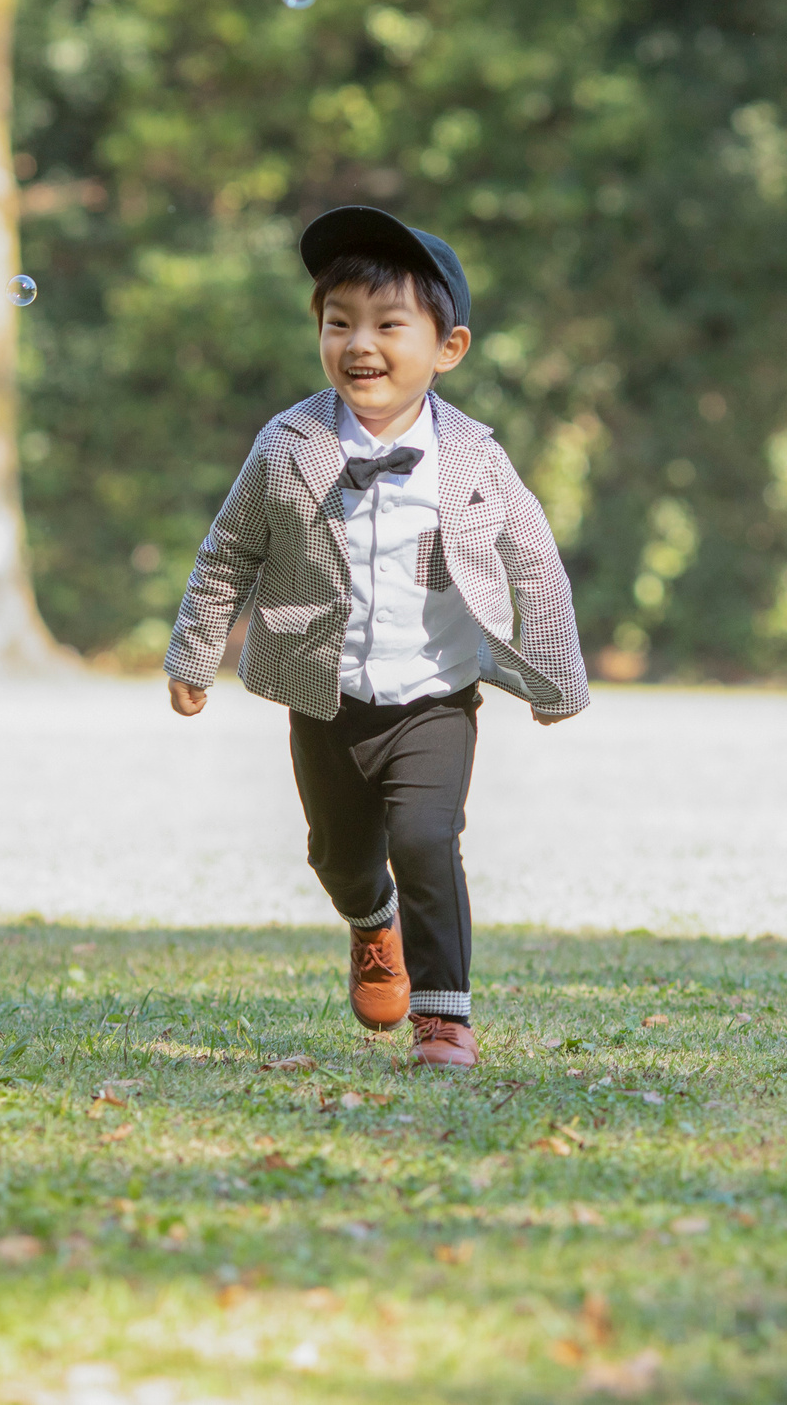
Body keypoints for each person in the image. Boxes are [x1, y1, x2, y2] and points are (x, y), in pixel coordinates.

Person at [165, 205, 590, 1068]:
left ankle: (444, 1015)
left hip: (434, 694)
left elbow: (534, 560)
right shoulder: (289, 445)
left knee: (428, 839)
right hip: (324, 695)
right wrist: (193, 652)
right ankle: (372, 921)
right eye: (339, 323)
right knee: (339, 857)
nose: (361, 343)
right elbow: (229, 550)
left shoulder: (474, 456)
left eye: (389, 324)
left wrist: (556, 679)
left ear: (447, 348)